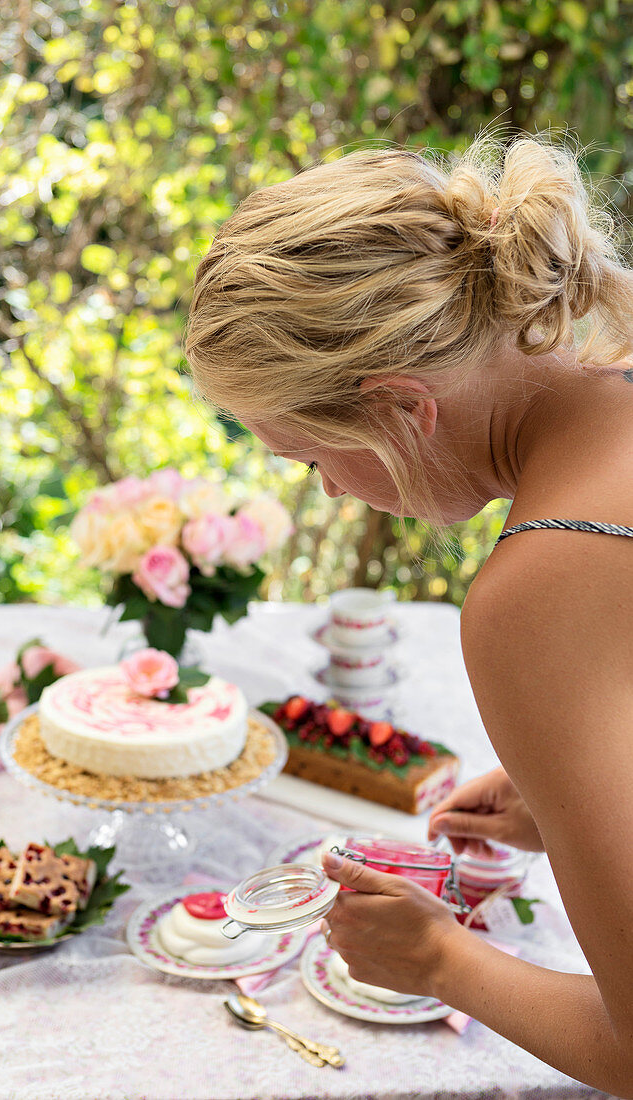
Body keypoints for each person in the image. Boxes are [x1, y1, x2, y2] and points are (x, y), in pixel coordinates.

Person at [185, 134, 633, 1094]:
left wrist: (440, 962)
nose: (334, 494)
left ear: (397, 407)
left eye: (310, 461)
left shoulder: (535, 590)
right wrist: (575, 802)